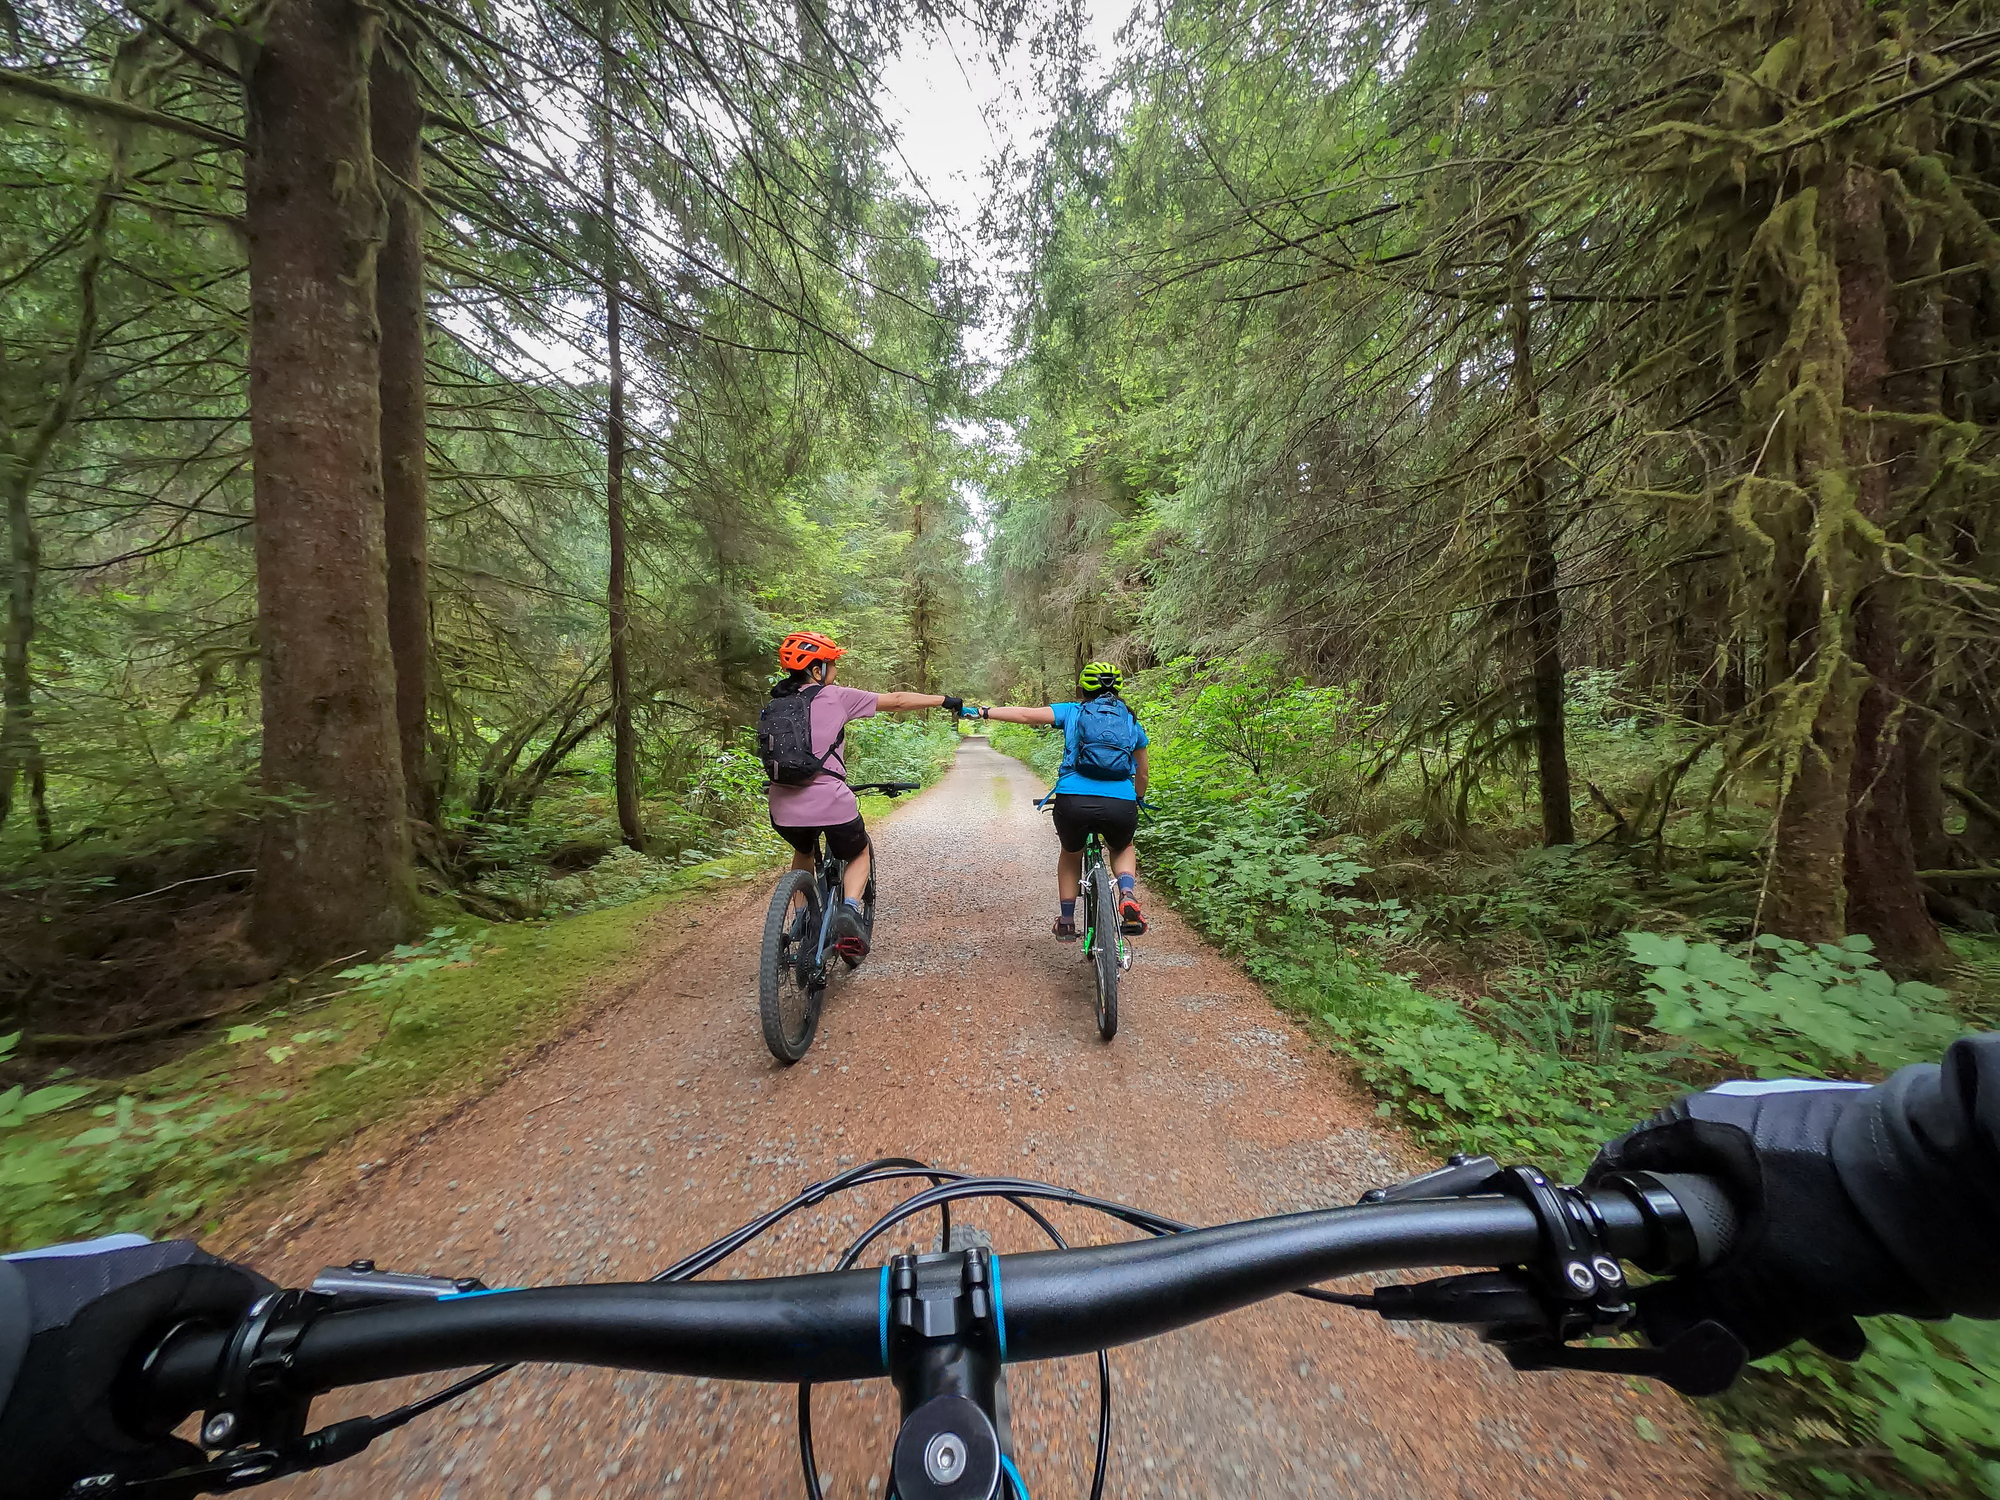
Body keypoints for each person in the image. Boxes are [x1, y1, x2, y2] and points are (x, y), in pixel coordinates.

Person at [9, 1032, 2000, 1496]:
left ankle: (984, 883)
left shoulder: (821, 711)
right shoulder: (1096, 724)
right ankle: (1102, 891)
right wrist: (1877, 1182)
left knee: (858, 857)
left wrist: (263, 1344)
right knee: (1081, 845)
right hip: (1083, 794)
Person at [758, 630, 961, 963]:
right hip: (831, 801)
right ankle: (850, 909)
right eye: (831, 663)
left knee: (803, 847)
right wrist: (945, 701)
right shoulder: (835, 696)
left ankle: (801, 920)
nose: (834, 669)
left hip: (782, 807)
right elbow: (896, 700)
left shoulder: (775, 704)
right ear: (816, 669)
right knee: (858, 850)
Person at [972, 662, 1150, 940]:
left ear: (1083, 688)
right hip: (1120, 802)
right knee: (1122, 845)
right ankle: (1126, 892)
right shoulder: (1130, 721)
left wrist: (984, 711)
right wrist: (1136, 797)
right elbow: (1143, 772)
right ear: (1118, 687)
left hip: (1073, 801)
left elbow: (1025, 715)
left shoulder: (1072, 711)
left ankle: (1067, 920)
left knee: (1071, 852)